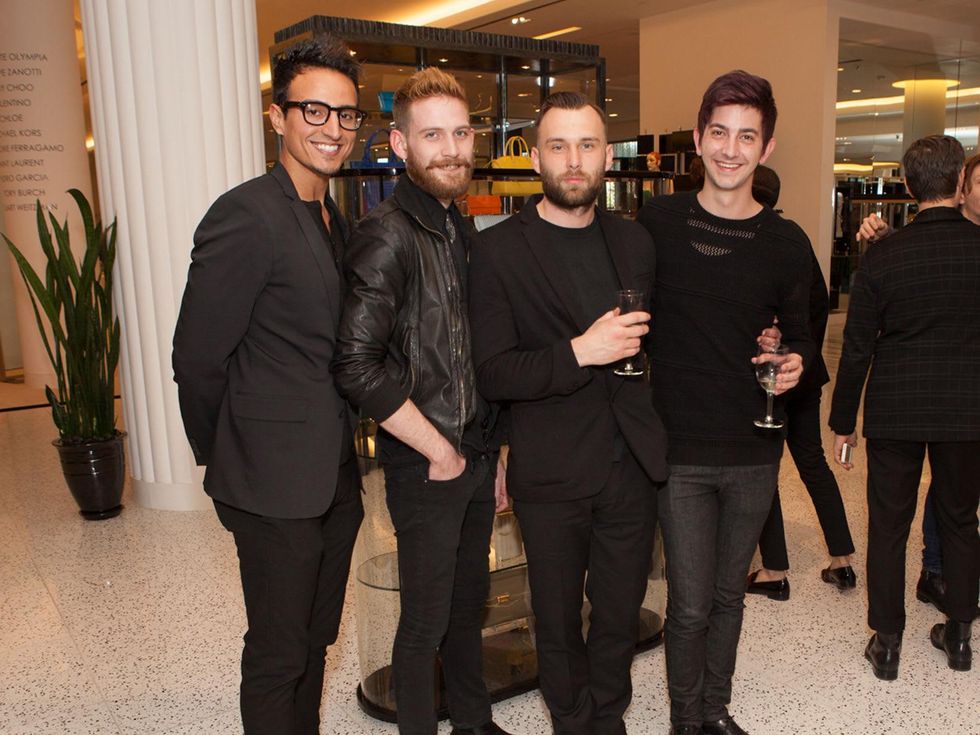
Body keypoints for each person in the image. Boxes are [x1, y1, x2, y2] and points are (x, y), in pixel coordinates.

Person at [172, 35, 365, 734]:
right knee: (279, 652)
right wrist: (228, 460)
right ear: (276, 115)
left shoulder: (331, 218)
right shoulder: (245, 214)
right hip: (271, 486)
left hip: (336, 477)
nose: (331, 129)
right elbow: (196, 359)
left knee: (315, 641)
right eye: (314, 110)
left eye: (345, 115)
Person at [468, 91, 669, 735]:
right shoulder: (499, 252)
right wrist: (581, 351)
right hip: (551, 469)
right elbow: (494, 371)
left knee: (618, 611)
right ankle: (573, 720)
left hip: (630, 464)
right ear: (535, 157)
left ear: (607, 156)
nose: (573, 160)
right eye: (558, 145)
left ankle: (607, 714)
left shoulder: (634, 242)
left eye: (587, 145)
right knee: (555, 617)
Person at [333, 67, 510, 735]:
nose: (451, 148)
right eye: (432, 134)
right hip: (423, 460)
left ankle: (473, 720)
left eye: (461, 132)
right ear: (401, 145)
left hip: (470, 451)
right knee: (425, 622)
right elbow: (355, 364)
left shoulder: (456, 225)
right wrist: (438, 448)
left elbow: (470, 354)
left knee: (468, 607)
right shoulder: (388, 233)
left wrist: (490, 453)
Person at [637, 70, 813, 735]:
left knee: (727, 595)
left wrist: (794, 361)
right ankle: (687, 718)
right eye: (720, 133)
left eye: (747, 136)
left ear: (766, 148)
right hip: (679, 449)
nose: (731, 149)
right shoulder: (655, 223)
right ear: (698, 137)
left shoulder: (785, 242)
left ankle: (715, 710)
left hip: (753, 448)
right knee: (687, 603)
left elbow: (801, 339)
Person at [831, 135, 980, 679]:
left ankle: (887, 643)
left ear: (909, 185)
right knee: (962, 521)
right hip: (968, 411)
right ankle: (960, 637)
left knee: (889, 524)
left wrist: (842, 421)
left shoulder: (884, 255)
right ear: (960, 181)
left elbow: (857, 346)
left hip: (896, 408)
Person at [745, 165, 856, 602]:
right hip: (804, 374)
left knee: (764, 471)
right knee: (813, 464)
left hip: (763, 377)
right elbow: (817, 304)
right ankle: (842, 560)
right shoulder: (794, 239)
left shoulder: (747, 240)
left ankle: (774, 570)